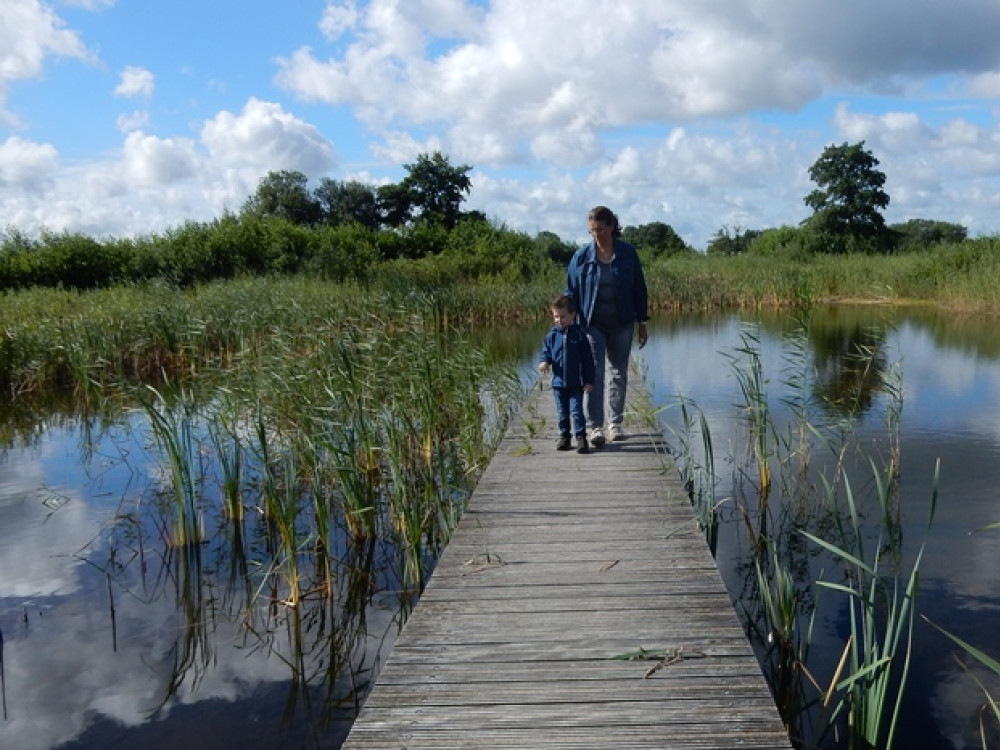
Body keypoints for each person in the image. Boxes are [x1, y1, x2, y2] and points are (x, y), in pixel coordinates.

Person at [565, 205, 649, 448]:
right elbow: (570, 292)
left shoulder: (628, 254)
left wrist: (642, 322)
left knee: (618, 374)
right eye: (591, 231)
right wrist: (569, 323)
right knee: (594, 374)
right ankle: (596, 427)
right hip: (591, 324)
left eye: (600, 229)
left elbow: (639, 289)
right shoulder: (581, 256)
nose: (596, 235)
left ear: (612, 226)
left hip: (622, 323)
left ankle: (615, 424)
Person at [538, 294, 595, 454]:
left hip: (576, 383)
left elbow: (587, 360)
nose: (559, 320)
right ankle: (564, 437)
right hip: (558, 384)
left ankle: (581, 437)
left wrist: (589, 380)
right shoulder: (551, 336)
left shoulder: (579, 335)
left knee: (577, 411)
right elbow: (546, 353)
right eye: (556, 317)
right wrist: (544, 362)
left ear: (572, 315)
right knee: (562, 413)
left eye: (563, 317)